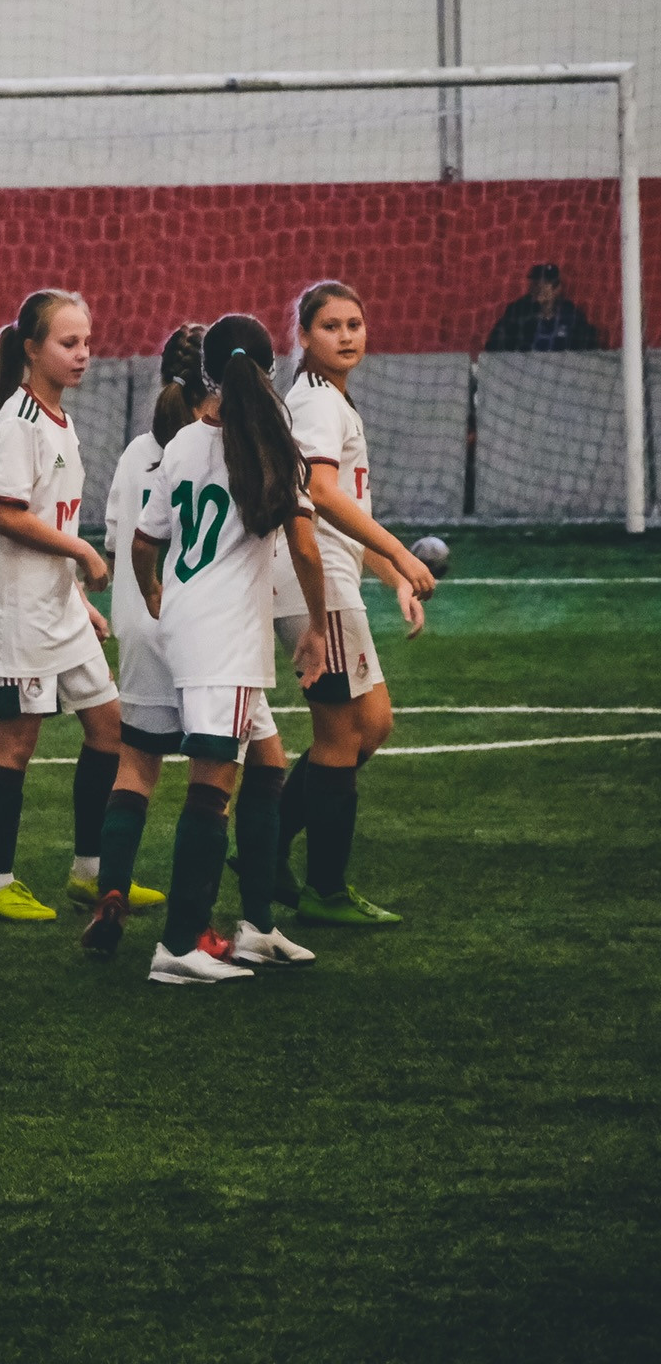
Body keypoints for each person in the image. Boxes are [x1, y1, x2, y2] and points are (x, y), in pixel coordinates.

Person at [128, 313, 329, 982]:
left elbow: (143, 543)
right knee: (213, 787)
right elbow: (303, 545)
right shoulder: (271, 437)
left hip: (194, 625)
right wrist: (320, 628)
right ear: (269, 370)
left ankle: (258, 929)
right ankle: (179, 946)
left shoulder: (183, 440)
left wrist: (157, 595)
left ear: (205, 373)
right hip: (226, 640)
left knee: (269, 765)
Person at [271, 282, 438, 925]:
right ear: (305, 338)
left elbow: (339, 514)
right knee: (341, 736)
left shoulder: (331, 400)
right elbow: (319, 492)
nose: (346, 335)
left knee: (371, 725)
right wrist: (401, 552)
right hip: (315, 585)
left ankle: (268, 848)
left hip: (330, 578)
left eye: (355, 323)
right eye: (330, 326)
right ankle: (325, 891)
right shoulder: (315, 403)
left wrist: (387, 569)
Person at [0, 291, 123, 922]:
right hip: (18, 619)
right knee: (16, 745)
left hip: (59, 611)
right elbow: (7, 516)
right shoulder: (18, 421)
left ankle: (89, 872)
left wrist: (79, 598)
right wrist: (83, 552)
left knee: (110, 728)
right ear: (31, 349)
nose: (82, 354)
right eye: (67, 343)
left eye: (86, 342)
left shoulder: (58, 418)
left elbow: (47, 514)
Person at [77, 327, 205, 953]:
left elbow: (111, 543)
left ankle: (113, 895)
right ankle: (205, 924)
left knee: (136, 768)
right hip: (204, 632)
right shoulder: (217, 452)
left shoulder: (134, 455)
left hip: (137, 628)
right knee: (232, 776)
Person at [484, 263, 601, 352]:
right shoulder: (517, 312)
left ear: (557, 288)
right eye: (535, 283)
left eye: (546, 284)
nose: (539, 287)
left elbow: (590, 347)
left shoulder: (571, 316)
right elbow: (494, 345)